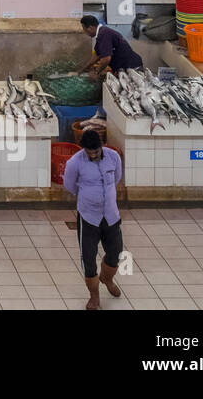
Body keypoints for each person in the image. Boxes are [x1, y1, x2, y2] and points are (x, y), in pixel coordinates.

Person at [62, 129, 124, 310]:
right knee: (88, 258)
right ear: (84, 150)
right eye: (90, 152)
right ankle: (94, 295)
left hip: (111, 215)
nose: (94, 154)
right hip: (89, 217)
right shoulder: (75, 162)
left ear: (101, 146)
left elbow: (117, 177)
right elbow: (69, 185)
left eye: (96, 151)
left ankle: (107, 278)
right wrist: (89, 196)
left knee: (116, 252)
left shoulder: (113, 157)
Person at [79, 14, 144, 76]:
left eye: (85, 30)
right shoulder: (101, 33)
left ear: (90, 28)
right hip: (124, 66)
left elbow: (106, 59)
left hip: (131, 66)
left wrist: (96, 72)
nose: (85, 33)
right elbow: (97, 54)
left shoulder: (104, 34)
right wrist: (84, 68)